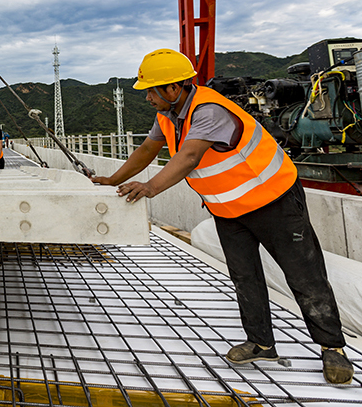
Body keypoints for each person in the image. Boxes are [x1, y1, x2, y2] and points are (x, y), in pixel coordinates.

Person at [91, 49, 353, 385]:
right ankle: (261, 343)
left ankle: (333, 349)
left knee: (304, 276)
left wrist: (150, 187)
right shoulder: (168, 116)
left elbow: (188, 157)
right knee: (245, 278)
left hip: (274, 202)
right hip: (229, 209)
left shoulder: (209, 110)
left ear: (173, 89)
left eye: (151, 90)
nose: (147, 97)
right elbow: (146, 150)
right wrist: (111, 179)